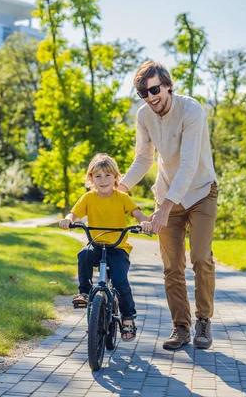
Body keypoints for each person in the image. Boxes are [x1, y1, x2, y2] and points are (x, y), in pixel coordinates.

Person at [117, 61, 218, 350]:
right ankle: (181, 328)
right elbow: (144, 159)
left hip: (200, 191)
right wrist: (119, 189)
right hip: (167, 193)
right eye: (143, 93)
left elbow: (188, 165)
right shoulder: (144, 116)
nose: (150, 97)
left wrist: (163, 209)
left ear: (168, 85)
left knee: (200, 257)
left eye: (154, 90)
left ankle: (203, 322)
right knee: (172, 266)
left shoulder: (192, 111)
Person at [59, 153, 152, 342]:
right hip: (96, 244)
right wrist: (68, 220)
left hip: (118, 248)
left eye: (108, 175)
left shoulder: (122, 197)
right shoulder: (88, 198)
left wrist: (144, 223)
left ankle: (127, 317)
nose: (103, 180)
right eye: (98, 176)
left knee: (120, 282)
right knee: (84, 255)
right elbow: (73, 214)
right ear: (90, 178)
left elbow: (138, 213)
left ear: (116, 178)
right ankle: (84, 292)